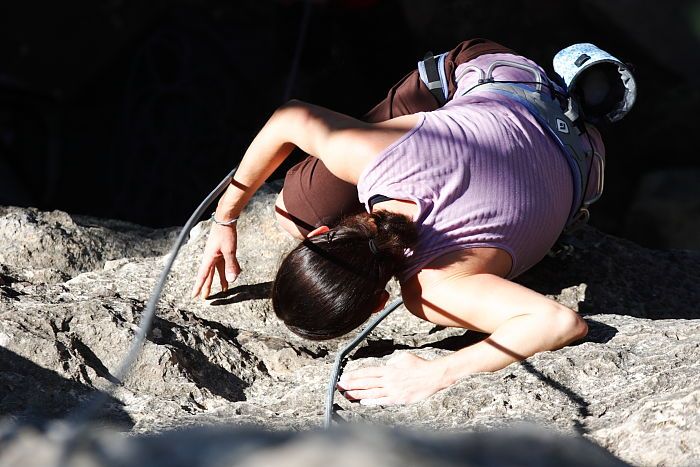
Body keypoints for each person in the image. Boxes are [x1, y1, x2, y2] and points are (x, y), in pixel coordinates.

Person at [191, 39, 608, 406]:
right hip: (506, 74)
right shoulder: (374, 156)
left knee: (290, 212)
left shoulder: (432, 292)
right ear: (325, 235)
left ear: (377, 303)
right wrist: (226, 217)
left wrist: (437, 374)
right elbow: (290, 117)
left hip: (583, 157)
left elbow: (559, 322)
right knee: (291, 212)